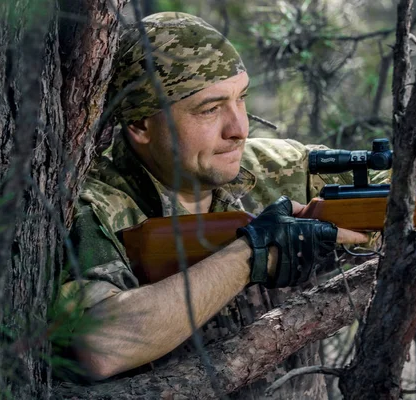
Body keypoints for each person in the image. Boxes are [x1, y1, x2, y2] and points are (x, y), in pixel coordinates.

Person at [57, 11, 369, 399]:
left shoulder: (277, 167)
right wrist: (251, 254)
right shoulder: (91, 204)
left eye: (242, 98)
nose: (238, 129)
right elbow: (101, 346)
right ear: (140, 125)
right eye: (210, 109)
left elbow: (409, 189)